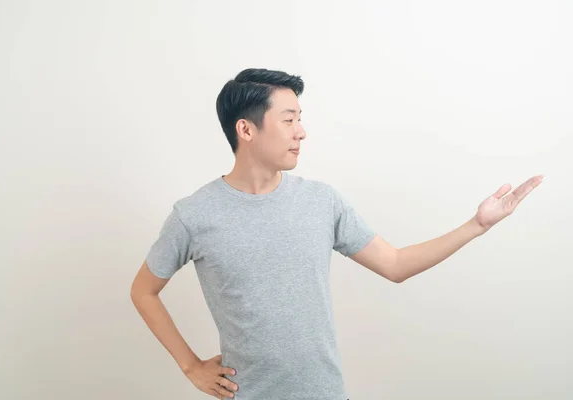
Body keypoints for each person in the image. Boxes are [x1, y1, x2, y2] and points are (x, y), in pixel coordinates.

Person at [130, 68, 543, 400]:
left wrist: (477, 225)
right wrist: (191, 366)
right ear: (247, 130)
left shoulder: (321, 202)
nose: (301, 132)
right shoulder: (195, 215)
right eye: (288, 120)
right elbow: (143, 291)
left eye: (300, 120)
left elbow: (396, 265)